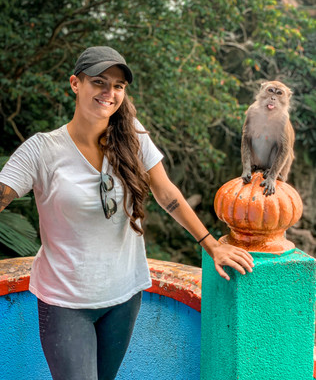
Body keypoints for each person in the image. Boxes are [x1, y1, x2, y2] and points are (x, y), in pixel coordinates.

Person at [0, 46, 254, 380]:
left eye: (118, 86)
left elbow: (167, 193)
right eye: (100, 82)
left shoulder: (131, 134)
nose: (110, 93)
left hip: (124, 295)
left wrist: (213, 245)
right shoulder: (42, 150)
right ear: (76, 84)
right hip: (65, 300)